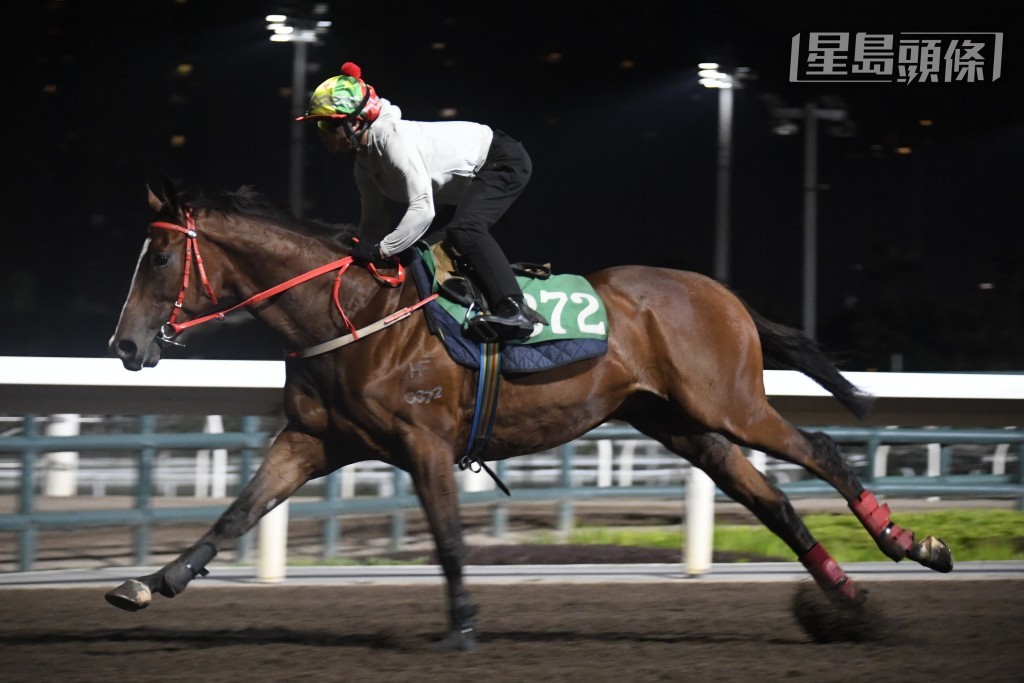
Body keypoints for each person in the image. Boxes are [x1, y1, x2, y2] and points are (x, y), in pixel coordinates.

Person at [296, 62, 546, 342]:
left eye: (326, 124)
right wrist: (360, 259)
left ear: (355, 121)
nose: (321, 133)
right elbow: (374, 221)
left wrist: (382, 251)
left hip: (502, 159)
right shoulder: (363, 163)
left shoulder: (393, 141)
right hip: (470, 181)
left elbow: (423, 210)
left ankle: (514, 308)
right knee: (425, 250)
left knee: (464, 230)